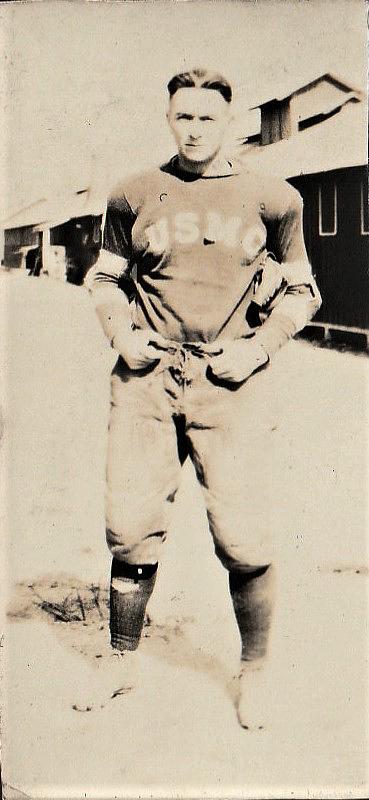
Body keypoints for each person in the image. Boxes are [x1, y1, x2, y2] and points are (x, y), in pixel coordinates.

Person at [84, 68, 321, 728]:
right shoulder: (133, 193)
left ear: (229, 119)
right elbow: (105, 279)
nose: (193, 130)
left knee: (244, 539)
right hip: (147, 380)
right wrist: (121, 332)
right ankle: (121, 661)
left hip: (229, 382)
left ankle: (254, 674)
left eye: (206, 118)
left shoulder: (272, 198)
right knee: (129, 528)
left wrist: (257, 348)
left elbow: (302, 293)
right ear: (167, 118)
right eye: (182, 117)